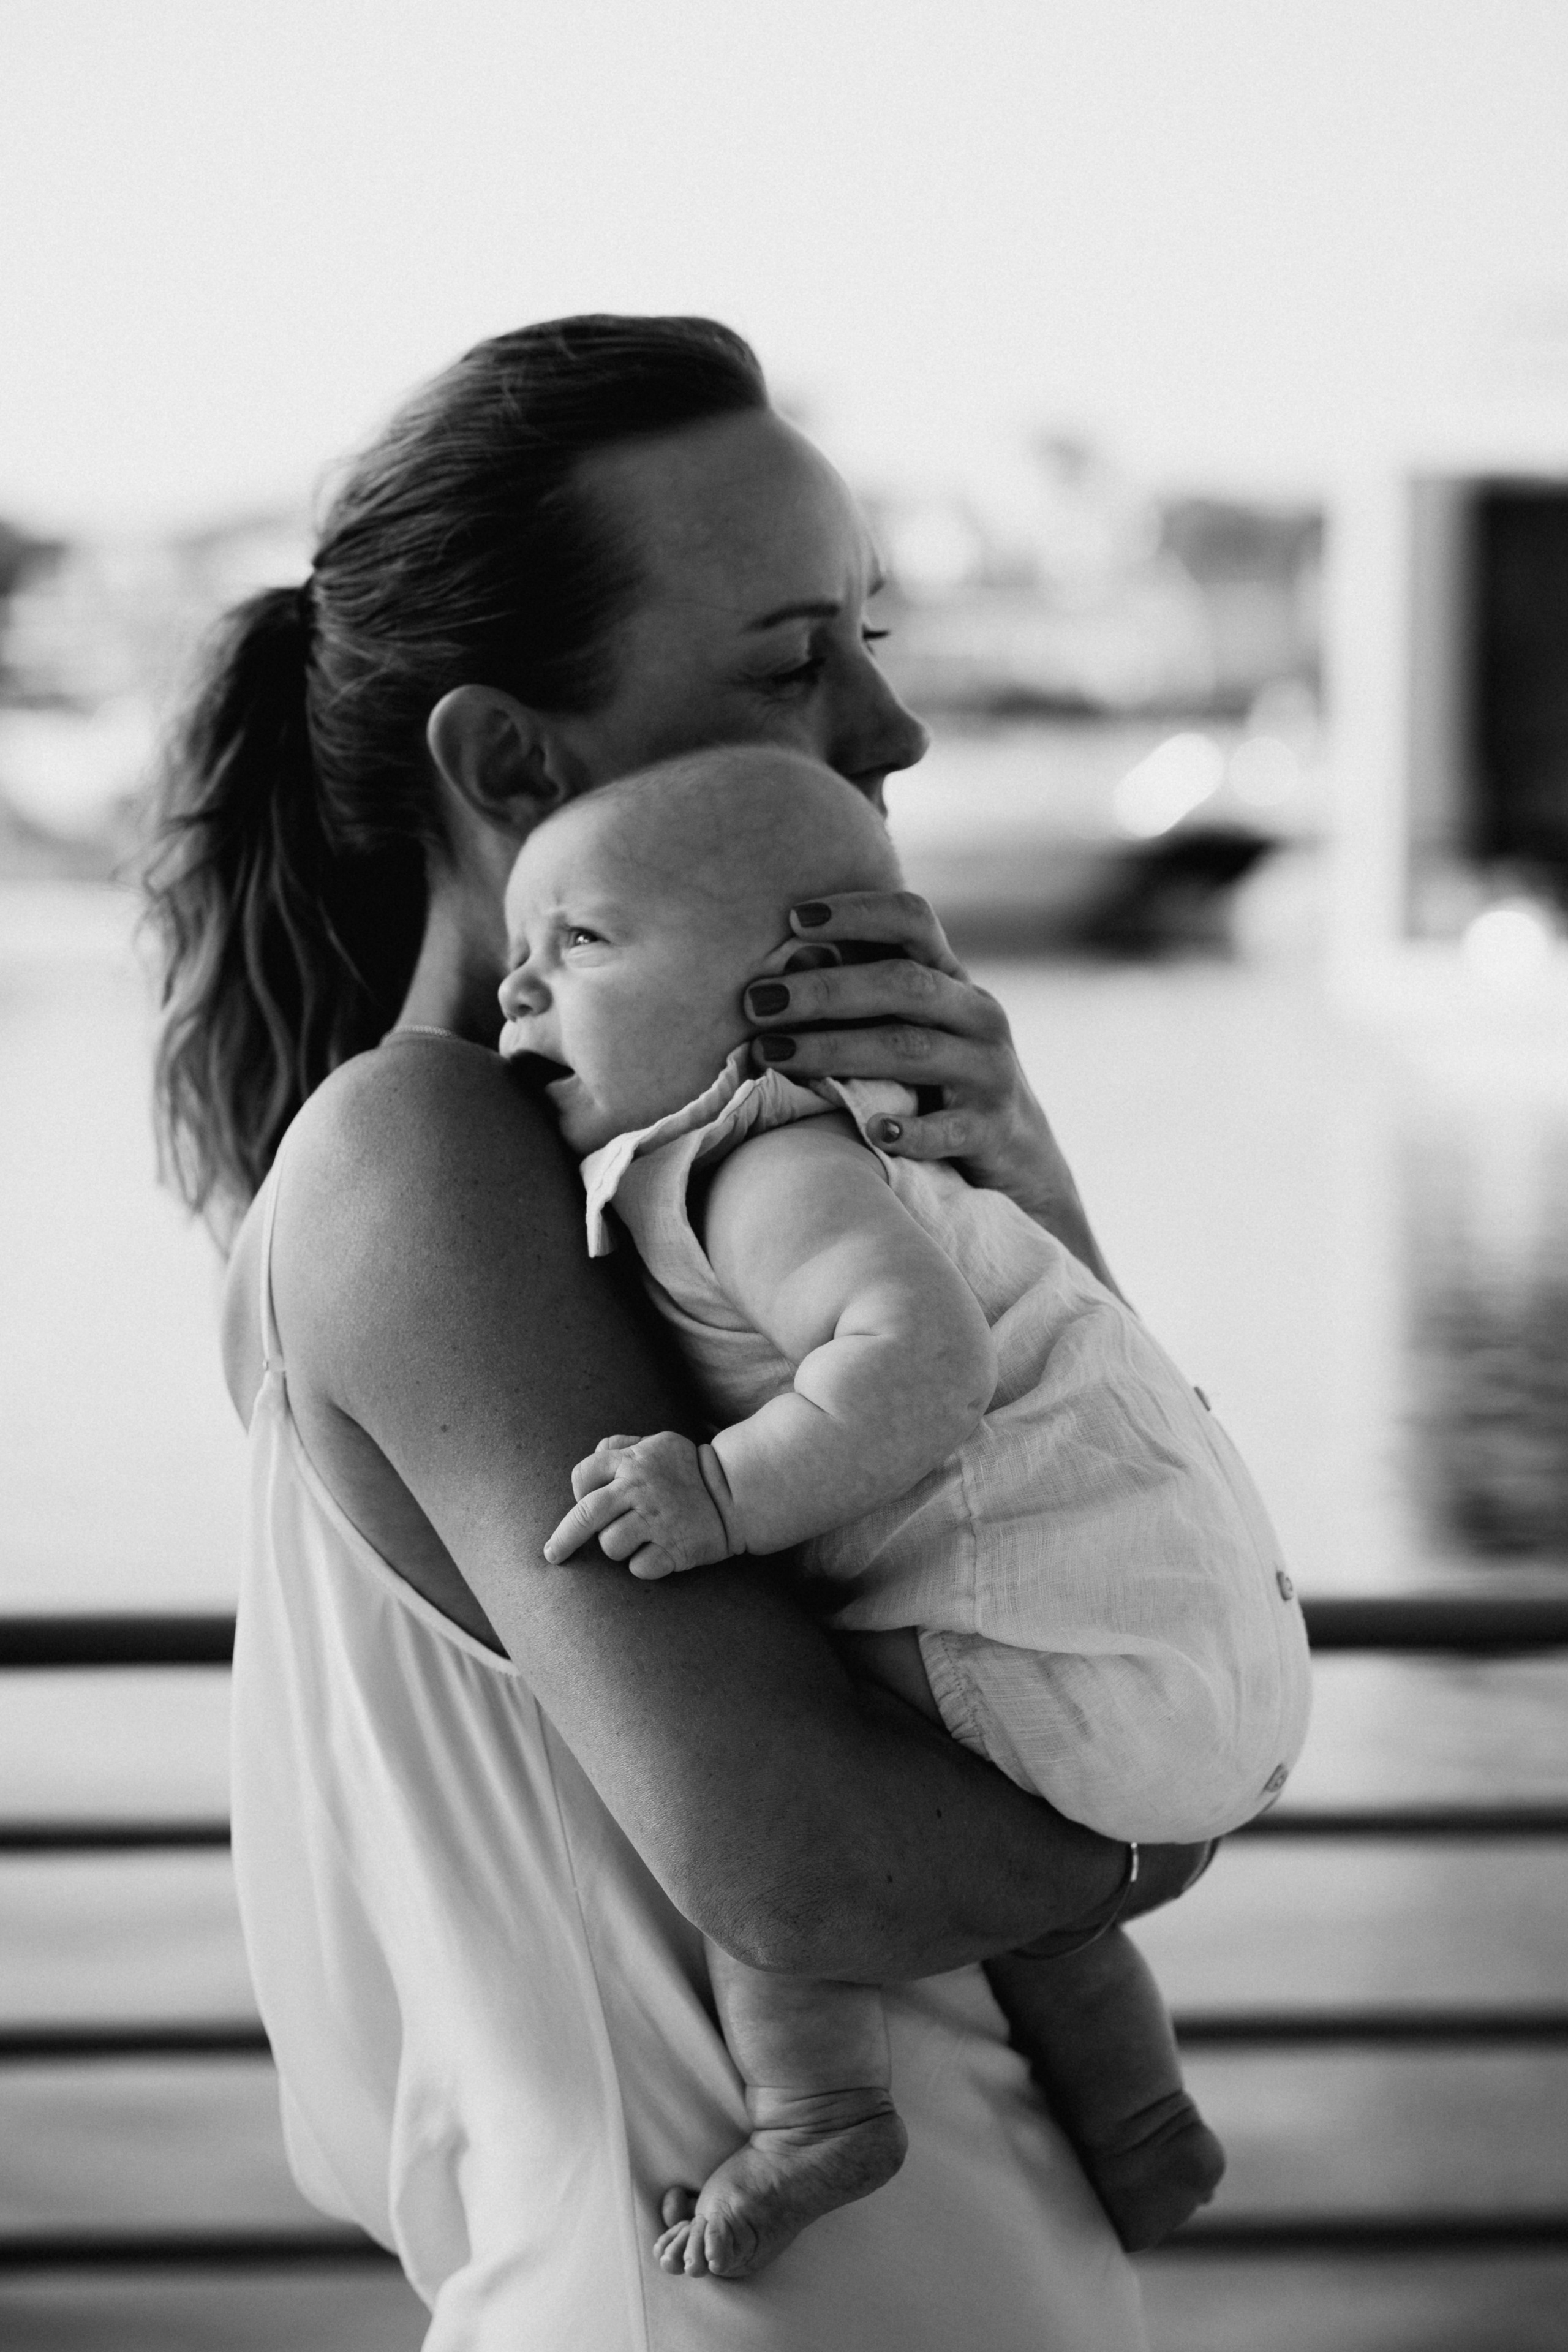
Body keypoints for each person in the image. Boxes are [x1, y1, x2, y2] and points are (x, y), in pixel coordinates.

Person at [146, 313, 1215, 2351]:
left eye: (871, 640)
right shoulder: (419, 1152)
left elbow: (1068, 1688)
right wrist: (1186, 1788)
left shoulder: (670, 1204)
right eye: (789, 656)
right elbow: (824, 1878)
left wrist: (1031, 1216)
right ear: (509, 767)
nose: (888, 736)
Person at [500, 746, 1310, 2278]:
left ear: (776, 988)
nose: (519, 998)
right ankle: (1136, 2122)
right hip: (1188, 1667)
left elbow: (920, 1370)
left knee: (779, 1761)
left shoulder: (756, 1160)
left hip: (1084, 1660)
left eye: (581, 946)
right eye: (516, 962)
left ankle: (817, 2110)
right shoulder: (897, 1146)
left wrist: (720, 1492)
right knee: (1030, 1871)